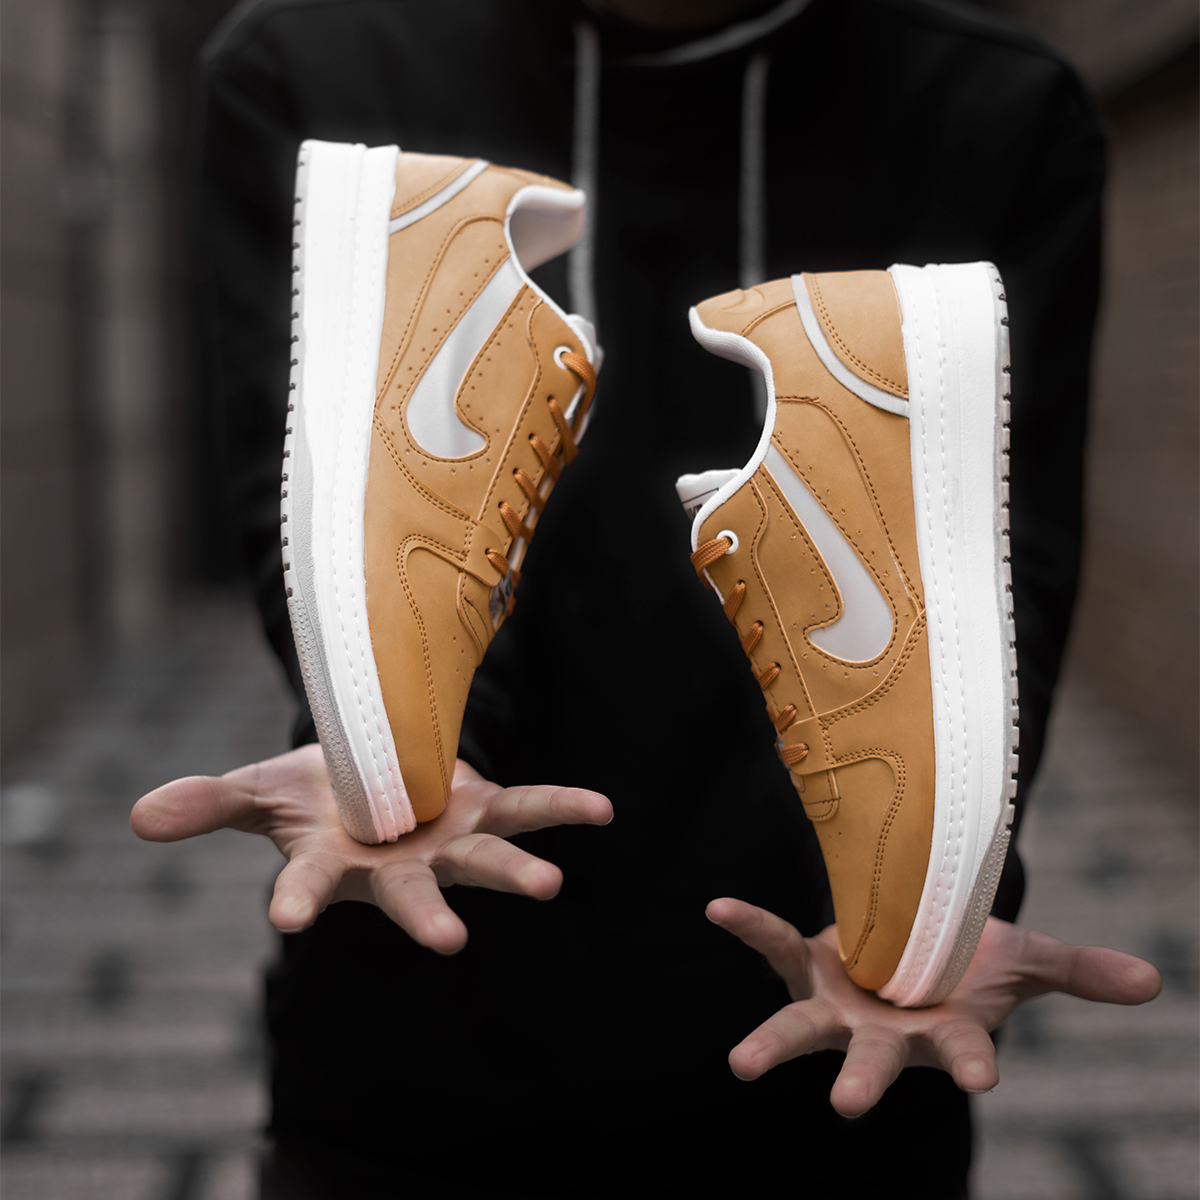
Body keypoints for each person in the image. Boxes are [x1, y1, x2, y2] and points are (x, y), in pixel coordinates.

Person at [135, 1, 1160, 1195]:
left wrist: (939, 907)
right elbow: (291, 487)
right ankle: (414, 731)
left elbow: (1004, 561)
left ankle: (893, 881)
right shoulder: (320, 64)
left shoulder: (990, 108)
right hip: (418, 1018)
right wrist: (423, 768)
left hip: (822, 1034)